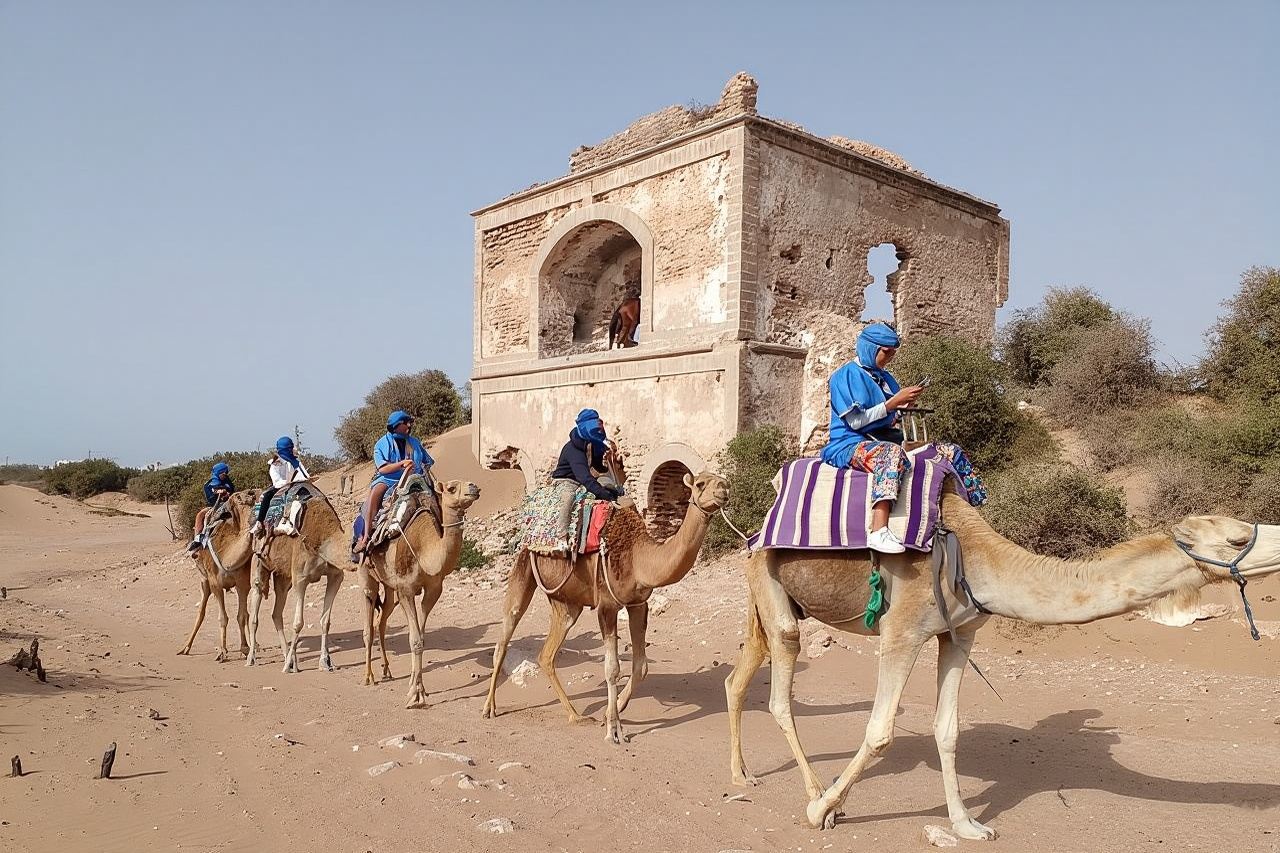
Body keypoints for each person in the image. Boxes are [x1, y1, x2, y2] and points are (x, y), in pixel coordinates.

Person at [821, 322, 985, 554]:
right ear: (870, 348)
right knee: (890, 455)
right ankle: (878, 530)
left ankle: (976, 513)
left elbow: (890, 417)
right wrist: (892, 403)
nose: (889, 358)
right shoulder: (844, 376)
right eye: (886, 352)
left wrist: (904, 407)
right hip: (850, 443)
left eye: (893, 354)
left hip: (889, 438)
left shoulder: (886, 378)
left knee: (951, 451)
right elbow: (855, 422)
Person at [353, 410, 434, 555]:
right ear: (396, 426)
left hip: (414, 478)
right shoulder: (382, 444)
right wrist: (401, 464)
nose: (409, 426)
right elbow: (383, 468)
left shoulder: (414, 442)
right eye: (406, 423)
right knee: (375, 493)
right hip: (389, 479)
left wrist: (423, 467)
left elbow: (427, 461)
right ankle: (365, 537)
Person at [551, 408, 624, 500]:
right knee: (568, 500)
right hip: (566, 483)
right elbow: (584, 477)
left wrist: (603, 456)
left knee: (607, 488)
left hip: (580, 483)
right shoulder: (574, 450)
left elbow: (599, 467)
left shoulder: (589, 445)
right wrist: (606, 495)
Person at [250, 436, 310, 537]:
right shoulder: (275, 464)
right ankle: (260, 523)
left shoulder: (295, 461)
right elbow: (277, 482)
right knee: (267, 496)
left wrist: (301, 480)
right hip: (280, 487)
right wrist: (288, 483)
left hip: (296, 486)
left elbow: (304, 475)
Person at [188, 461, 235, 554]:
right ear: (219, 473)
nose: (226, 475)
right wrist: (222, 493)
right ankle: (197, 539)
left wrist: (226, 492)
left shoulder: (226, 480)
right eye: (224, 473)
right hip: (214, 506)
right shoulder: (210, 484)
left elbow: (231, 490)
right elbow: (213, 496)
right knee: (200, 515)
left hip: (230, 504)